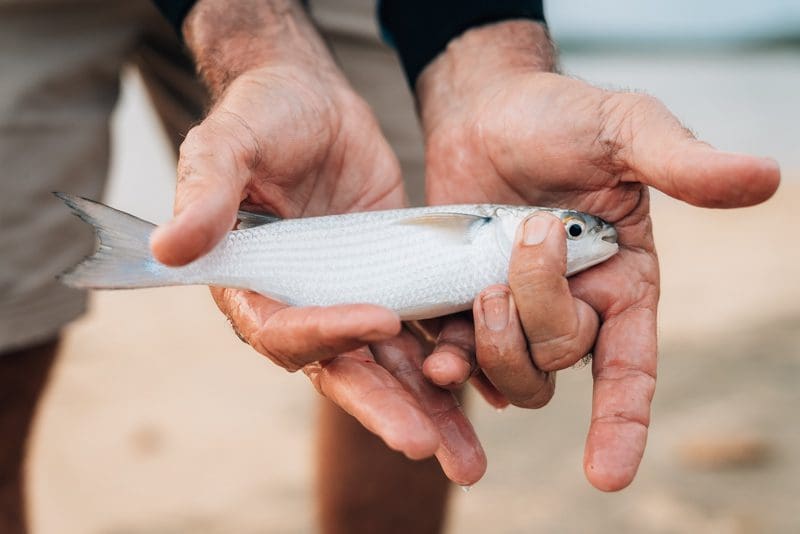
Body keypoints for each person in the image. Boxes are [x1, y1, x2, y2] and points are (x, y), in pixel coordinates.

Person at [0, 1, 780, 534]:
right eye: (578, 231)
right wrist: (251, 30)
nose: (589, 238)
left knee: (401, 385)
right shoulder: (491, 230)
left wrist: (480, 45)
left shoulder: (497, 221)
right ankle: (142, 258)